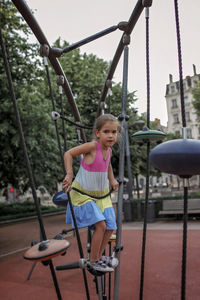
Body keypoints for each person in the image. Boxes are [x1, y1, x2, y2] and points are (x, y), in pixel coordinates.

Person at [62, 114, 120, 272]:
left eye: (114, 132)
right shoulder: (92, 147)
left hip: (101, 195)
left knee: (110, 226)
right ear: (98, 133)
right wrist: (69, 173)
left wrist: (112, 180)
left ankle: (99, 257)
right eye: (106, 131)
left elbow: (107, 166)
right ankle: (93, 260)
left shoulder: (109, 151)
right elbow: (69, 153)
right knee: (100, 226)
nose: (111, 135)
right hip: (83, 194)